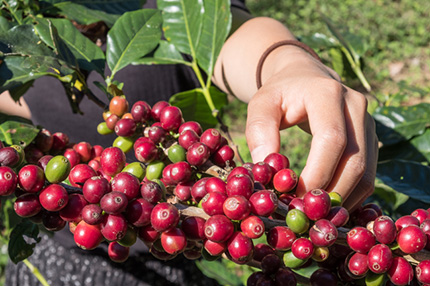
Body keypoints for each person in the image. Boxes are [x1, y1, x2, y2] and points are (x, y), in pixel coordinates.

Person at [1, 0, 378, 285]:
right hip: (64, 262)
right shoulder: (17, 24)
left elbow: (228, 34)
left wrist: (287, 63)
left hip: (181, 248)